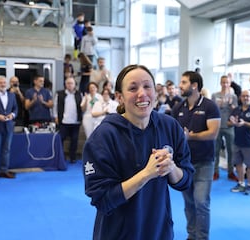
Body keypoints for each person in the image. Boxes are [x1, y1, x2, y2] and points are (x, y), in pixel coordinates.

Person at [83, 64, 194, 240]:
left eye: (147, 86)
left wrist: (171, 168)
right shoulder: (104, 136)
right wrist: (146, 174)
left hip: (159, 232)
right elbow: (102, 199)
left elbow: (186, 180)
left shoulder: (170, 127)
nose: (142, 93)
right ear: (119, 97)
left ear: (155, 92)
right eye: (133, 88)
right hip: (118, 234)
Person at [172, 71, 221, 240]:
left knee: (201, 202)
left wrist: (191, 136)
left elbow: (213, 133)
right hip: (184, 163)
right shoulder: (178, 107)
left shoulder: (210, 106)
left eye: (184, 82)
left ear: (194, 85)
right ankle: (191, 235)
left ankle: (201, 238)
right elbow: (174, 134)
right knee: (189, 203)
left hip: (204, 162)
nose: (180, 85)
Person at [229, 90, 250, 195]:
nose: (245, 98)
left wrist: (245, 123)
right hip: (237, 141)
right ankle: (241, 183)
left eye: (247, 96)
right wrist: (232, 122)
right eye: (243, 96)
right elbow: (228, 122)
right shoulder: (236, 110)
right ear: (240, 98)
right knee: (238, 164)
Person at [212, 75, 238, 181]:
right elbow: (211, 110)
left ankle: (231, 172)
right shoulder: (215, 95)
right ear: (220, 83)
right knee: (215, 150)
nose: (225, 84)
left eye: (227, 82)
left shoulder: (234, 96)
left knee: (231, 150)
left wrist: (232, 105)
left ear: (230, 83)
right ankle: (215, 171)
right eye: (223, 82)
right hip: (217, 126)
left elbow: (237, 111)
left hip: (229, 126)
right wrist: (219, 105)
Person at [53, 77, 82, 163]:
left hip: (75, 122)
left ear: (74, 85)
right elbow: (55, 106)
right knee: (61, 139)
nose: (70, 85)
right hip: (63, 121)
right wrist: (55, 117)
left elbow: (82, 106)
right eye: (68, 83)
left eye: (71, 83)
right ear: (65, 85)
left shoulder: (79, 94)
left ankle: (72, 157)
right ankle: (61, 157)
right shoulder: (59, 94)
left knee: (74, 139)